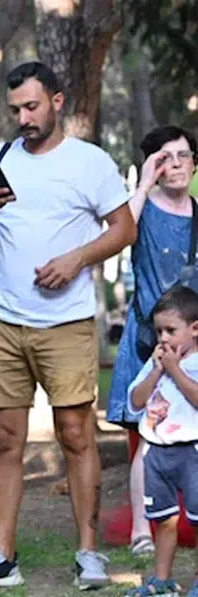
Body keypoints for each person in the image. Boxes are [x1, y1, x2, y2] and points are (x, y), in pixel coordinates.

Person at [0, 62, 136, 591]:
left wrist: (76, 259)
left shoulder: (89, 163)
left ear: (57, 101)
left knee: (76, 434)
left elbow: (123, 228)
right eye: (14, 110)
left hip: (66, 322)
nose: (23, 118)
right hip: (1, 318)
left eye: (32, 107)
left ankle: (89, 553)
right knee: (5, 437)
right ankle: (1, 556)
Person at [107, 126, 198, 558]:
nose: (176, 164)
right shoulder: (142, 208)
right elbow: (120, 230)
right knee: (147, 436)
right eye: (165, 157)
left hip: (194, 342)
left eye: (183, 155)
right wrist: (142, 184)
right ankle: (142, 529)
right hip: (149, 339)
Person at [123, 287, 198, 597]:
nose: (163, 338)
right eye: (158, 331)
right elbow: (136, 402)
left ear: (195, 329)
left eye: (171, 330)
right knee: (163, 519)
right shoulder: (154, 364)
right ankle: (162, 580)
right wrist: (156, 371)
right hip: (157, 451)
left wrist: (175, 370)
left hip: (192, 452)